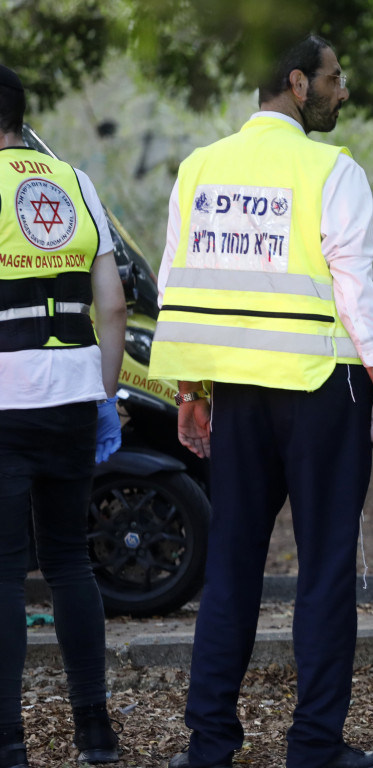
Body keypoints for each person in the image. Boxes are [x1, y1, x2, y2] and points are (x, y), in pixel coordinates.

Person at [148, 35, 373, 768]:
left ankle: (209, 745)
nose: (341, 91)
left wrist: (192, 388)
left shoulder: (200, 168)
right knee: (324, 570)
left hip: (236, 395)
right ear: (297, 83)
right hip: (323, 391)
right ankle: (315, 746)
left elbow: (178, 287)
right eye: (333, 78)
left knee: (230, 565)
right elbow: (354, 284)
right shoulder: (331, 168)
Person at [0, 64, 126, 768]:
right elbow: (111, 303)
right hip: (74, 394)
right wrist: (106, 397)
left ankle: (9, 744)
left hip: (4, 396)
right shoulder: (75, 182)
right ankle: (95, 733)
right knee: (71, 563)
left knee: (2, 573)